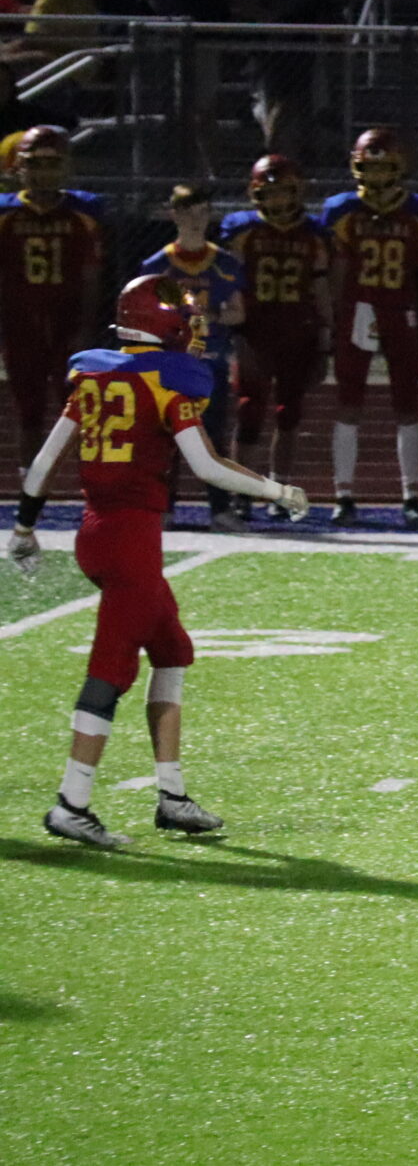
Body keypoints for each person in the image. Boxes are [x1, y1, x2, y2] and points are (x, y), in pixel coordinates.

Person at [16, 276, 309, 847]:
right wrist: (276, 491)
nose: (195, 327)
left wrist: (25, 528)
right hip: (131, 541)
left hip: (95, 532)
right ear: (163, 321)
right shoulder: (165, 383)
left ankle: (172, 796)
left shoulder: (94, 376)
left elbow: (44, 463)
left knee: (172, 650)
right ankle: (71, 804)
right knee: (109, 671)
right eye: (186, 316)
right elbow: (208, 466)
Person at [321, 129, 418, 529]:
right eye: (367, 167)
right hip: (359, 308)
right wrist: (335, 315)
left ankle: (412, 496)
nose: (374, 176)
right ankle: (343, 494)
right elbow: (339, 268)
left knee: (407, 403)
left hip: (399, 309)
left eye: (381, 168)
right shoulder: (342, 210)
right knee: (349, 401)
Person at [138, 187, 248, 529]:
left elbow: (239, 313)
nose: (196, 220)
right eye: (188, 213)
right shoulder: (157, 265)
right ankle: (163, 507)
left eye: (202, 212)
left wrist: (212, 314)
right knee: (165, 437)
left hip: (209, 360)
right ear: (174, 215)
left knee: (211, 436)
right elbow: (143, 316)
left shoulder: (224, 262)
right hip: (170, 363)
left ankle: (220, 509)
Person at [222, 155, 331, 499]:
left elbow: (320, 287)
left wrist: (326, 336)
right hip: (254, 331)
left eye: (283, 192)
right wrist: (234, 330)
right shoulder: (241, 230)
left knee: (289, 413)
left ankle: (279, 489)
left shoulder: (314, 234)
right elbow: (229, 284)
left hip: (298, 329)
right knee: (249, 410)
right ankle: (242, 491)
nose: (278, 200)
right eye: (270, 193)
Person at [0, 126, 103, 464]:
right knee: (28, 410)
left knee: (78, 409)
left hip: (67, 321)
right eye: (35, 163)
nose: (43, 172)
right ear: (19, 166)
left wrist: (86, 328)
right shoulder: (5, 213)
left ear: (66, 167)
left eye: (52, 163)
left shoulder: (84, 211)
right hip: (20, 322)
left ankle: (90, 485)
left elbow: (92, 274)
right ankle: (29, 486)